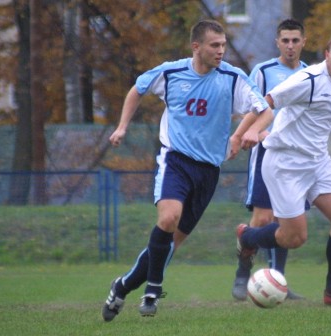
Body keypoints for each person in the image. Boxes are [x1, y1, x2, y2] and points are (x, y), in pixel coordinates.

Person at [101, 19, 274, 321]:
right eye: (214, 45)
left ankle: (122, 286)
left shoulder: (232, 77)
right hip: (176, 161)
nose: (221, 51)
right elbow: (137, 89)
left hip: (208, 171)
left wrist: (251, 131)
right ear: (197, 47)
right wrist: (122, 126)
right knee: (168, 218)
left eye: (223, 45)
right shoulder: (171, 72)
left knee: (171, 244)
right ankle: (153, 290)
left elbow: (265, 110)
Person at [235, 31, 331, 306]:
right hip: (284, 162)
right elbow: (266, 102)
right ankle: (248, 236)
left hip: (317, 161)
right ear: (326, 55)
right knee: (294, 238)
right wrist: (248, 132)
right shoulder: (309, 80)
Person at [230, 18, 308, 301]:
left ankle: (278, 282)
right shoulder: (263, 70)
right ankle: (242, 273)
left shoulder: (310, 73)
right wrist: (253, 132)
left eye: (295, 40)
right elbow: (253, 106)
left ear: (303, 42)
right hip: (266, 151)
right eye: (285, 40)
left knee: (285, 219)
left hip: (296, 155)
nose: (290, 45)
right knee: (263, 218)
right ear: (277, 42)